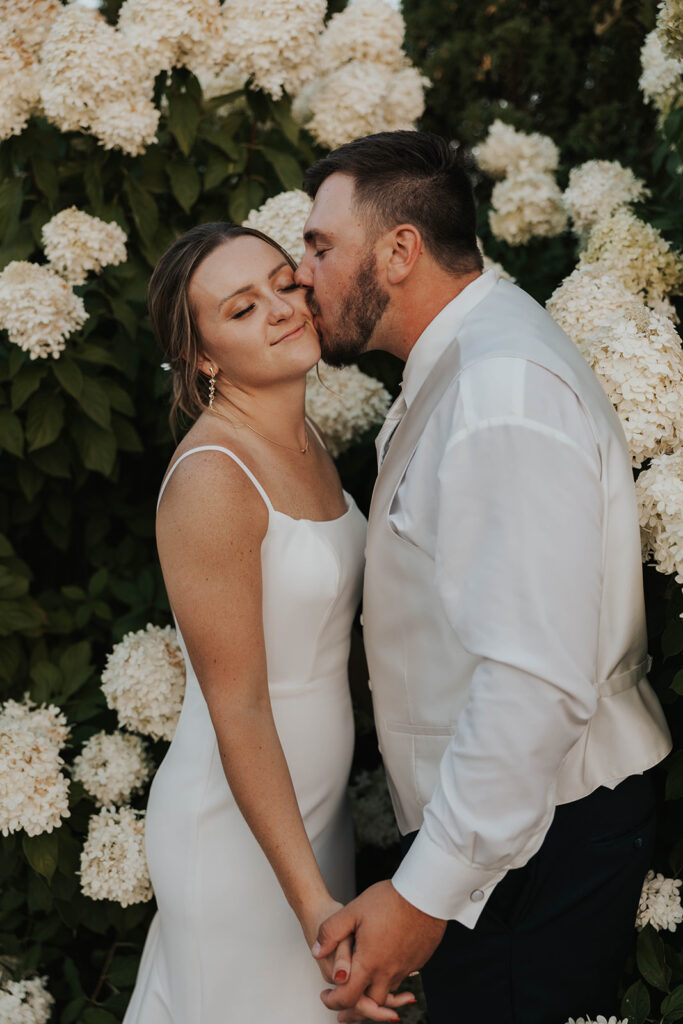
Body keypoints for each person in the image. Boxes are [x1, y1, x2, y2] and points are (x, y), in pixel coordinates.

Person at [294, 131, 673, 1024]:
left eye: (319, 246)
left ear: (398, 250)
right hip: (515, 831)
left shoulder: (497, 390)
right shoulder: (469, 359)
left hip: (538, 836)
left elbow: (531, 679)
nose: (300, 272)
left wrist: (425, 892)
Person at [122, 223, 413, 1024]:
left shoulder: (307, 438)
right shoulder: (214, 478)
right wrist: (312, 902)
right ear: (204, 357)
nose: (282, 309)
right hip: (235, 837)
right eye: (243, 308)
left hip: (311, 815)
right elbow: (240, 707)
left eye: (285, 283)